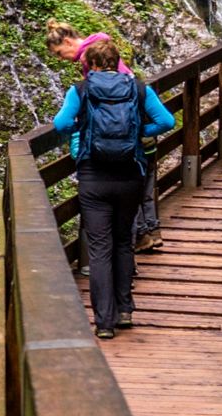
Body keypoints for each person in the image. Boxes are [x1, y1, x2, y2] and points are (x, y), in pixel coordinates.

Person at [52, 35, 176, 339]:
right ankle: (124, 311)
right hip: (129, 177)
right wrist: (137, 133)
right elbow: (167, 121)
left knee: (99, 249)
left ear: (90, 64)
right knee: (123, 242)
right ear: (117, 62)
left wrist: (85, 130)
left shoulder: (81, 90)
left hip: (94, 178)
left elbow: (60, 124)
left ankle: (104, 323)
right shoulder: (137, 88)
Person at [46, 21, 161, 248]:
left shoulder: (91, 58)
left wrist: (85, 130)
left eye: (60, 53)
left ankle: (138, 236)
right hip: (134, 127)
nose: (61, 58)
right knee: (140, 181)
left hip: (121, 133)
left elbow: (106, 100)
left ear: (68, 41)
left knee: (125, 180)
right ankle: (149, 232)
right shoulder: (101, 47)